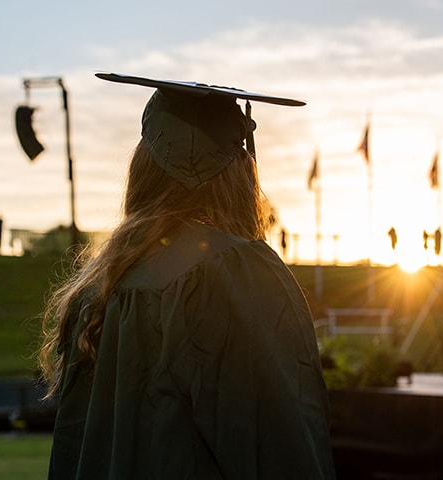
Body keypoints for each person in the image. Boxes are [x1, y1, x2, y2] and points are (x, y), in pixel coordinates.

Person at [38, 73, 336, 479]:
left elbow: (72, 449)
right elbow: (280, 446)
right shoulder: (239, 273)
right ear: (242, 172)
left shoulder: (98, 288)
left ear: (142, 170)